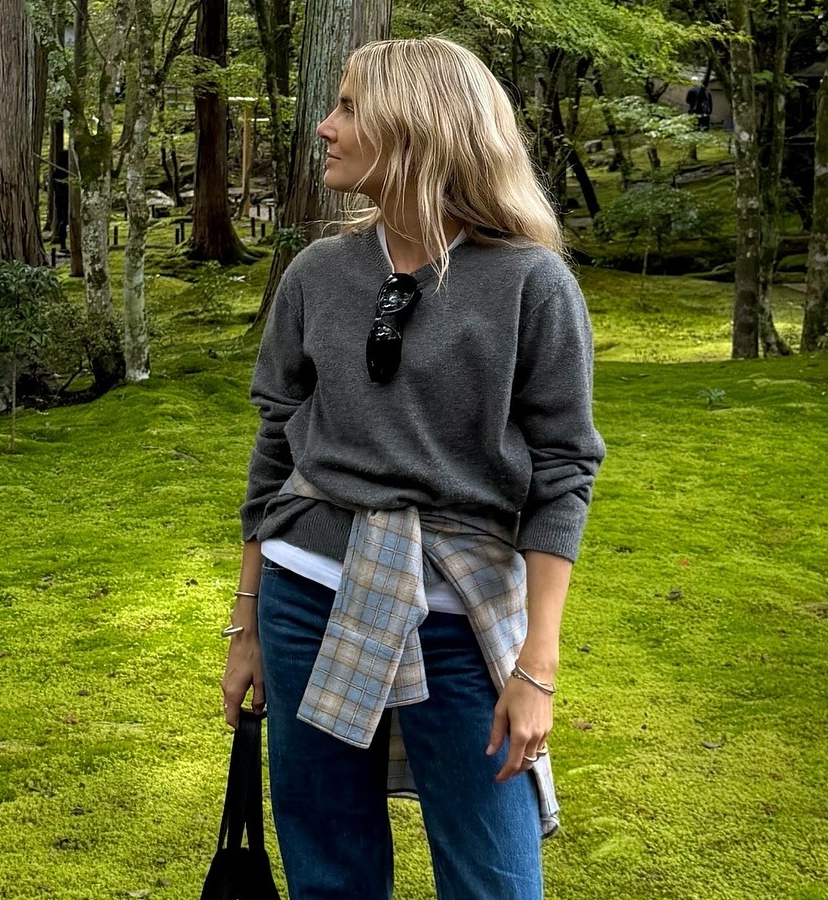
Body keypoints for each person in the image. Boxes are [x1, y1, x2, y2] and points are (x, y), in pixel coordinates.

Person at [221, 36, 605, 900]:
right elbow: (276, 445)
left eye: (350, 106)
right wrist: (245, 626)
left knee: (493, 875)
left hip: (456, 611)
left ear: (416, 128)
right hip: (303, 594)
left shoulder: (530, 284)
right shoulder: (318, 273)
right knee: (327, 865)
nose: (325, 125)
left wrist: (535, 667)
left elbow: (564, 469)